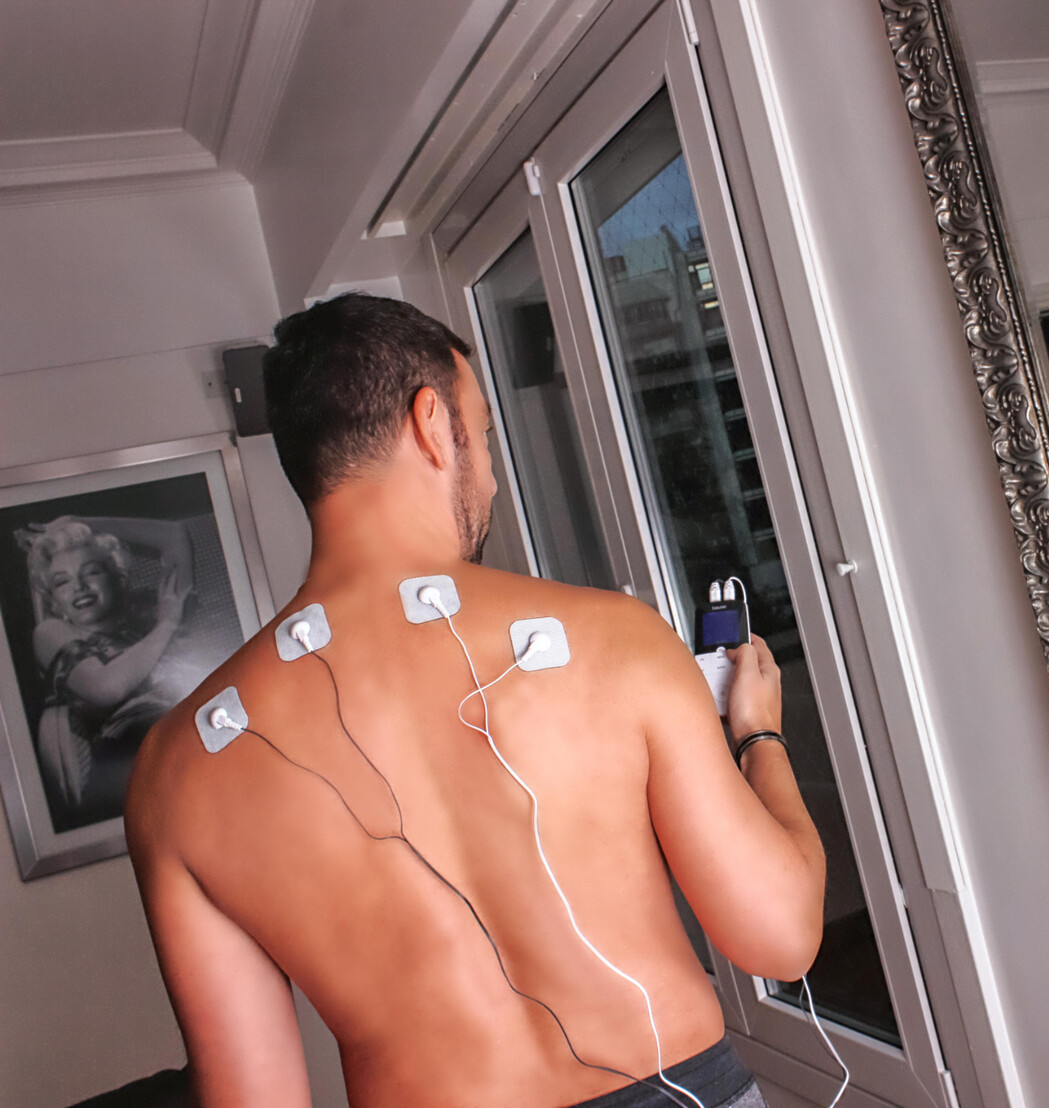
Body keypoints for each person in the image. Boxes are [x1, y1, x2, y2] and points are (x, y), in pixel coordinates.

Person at [126, 294, 825, 1108]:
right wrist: (759, 737)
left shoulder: (174, 772)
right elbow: (780, 938)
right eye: (484, 434)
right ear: (432, 424)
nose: (489, 478)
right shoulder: (615, 638)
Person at [20, 515, 192, 827]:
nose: (79, 587)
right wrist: (167, 625)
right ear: (54, 601)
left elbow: (175, 536)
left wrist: (80, 521)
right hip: (130, 766)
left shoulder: (153, 609)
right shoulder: (50, 633)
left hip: (190, 745)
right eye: (61, 582)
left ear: (117, 575)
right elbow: (107, 688)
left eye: (92, 571)